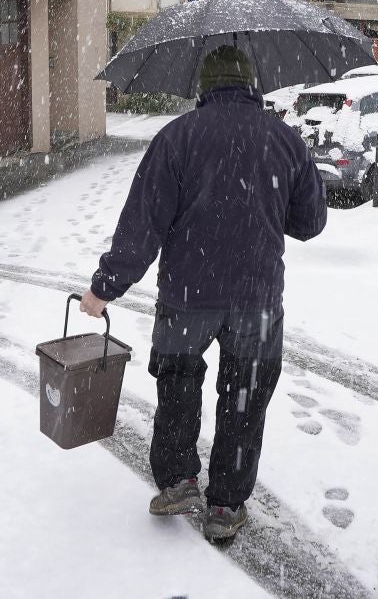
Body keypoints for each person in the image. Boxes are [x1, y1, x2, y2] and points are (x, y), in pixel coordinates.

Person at [79, 45, 327, 540]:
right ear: (253, 84)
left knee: (177, 383)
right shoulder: (285, 140)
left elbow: (142, 225)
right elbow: (310, 223)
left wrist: (105, 288)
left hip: (186, 296)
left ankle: (178, 482)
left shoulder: (177, 138)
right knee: (245, 398)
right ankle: (226, 507)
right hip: (256, 299)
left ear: (203, 86)